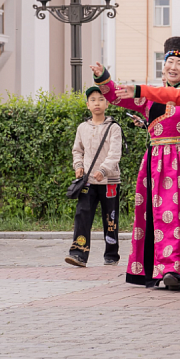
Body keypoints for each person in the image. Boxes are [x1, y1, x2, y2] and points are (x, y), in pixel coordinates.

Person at [91, 35, 180, 291]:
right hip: (157, 163)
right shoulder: (147, 97)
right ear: (163, 65)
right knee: (161, 216)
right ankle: (166, 268)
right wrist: (103, 78)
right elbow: (117, 97)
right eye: (169, 62)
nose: (173, 67)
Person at [66, 86, 123, 268]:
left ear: (107, 103)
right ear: (87, 105)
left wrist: (104, 170)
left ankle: (111, 255)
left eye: (101, 99)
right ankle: (78, 254)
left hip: (110, 181)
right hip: (88, 181)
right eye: (93, 100)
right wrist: (78, 166)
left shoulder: (114, 128)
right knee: (82, 215)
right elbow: (77, 150)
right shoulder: (82, 127)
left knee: (110, 218)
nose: (97, 103)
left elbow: (115, 153)